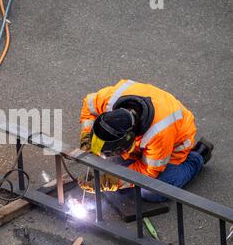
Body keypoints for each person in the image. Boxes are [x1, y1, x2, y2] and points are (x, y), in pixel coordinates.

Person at [78, 79, 213, 202]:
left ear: (129, 140)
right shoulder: (109, 100)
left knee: (150, 192)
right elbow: (88, 106)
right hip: (148, 139)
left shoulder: (159, 134)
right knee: (115, 168)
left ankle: (197, 157)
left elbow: (149, 171)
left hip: (173, 147)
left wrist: (110, 182)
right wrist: (86, 140)